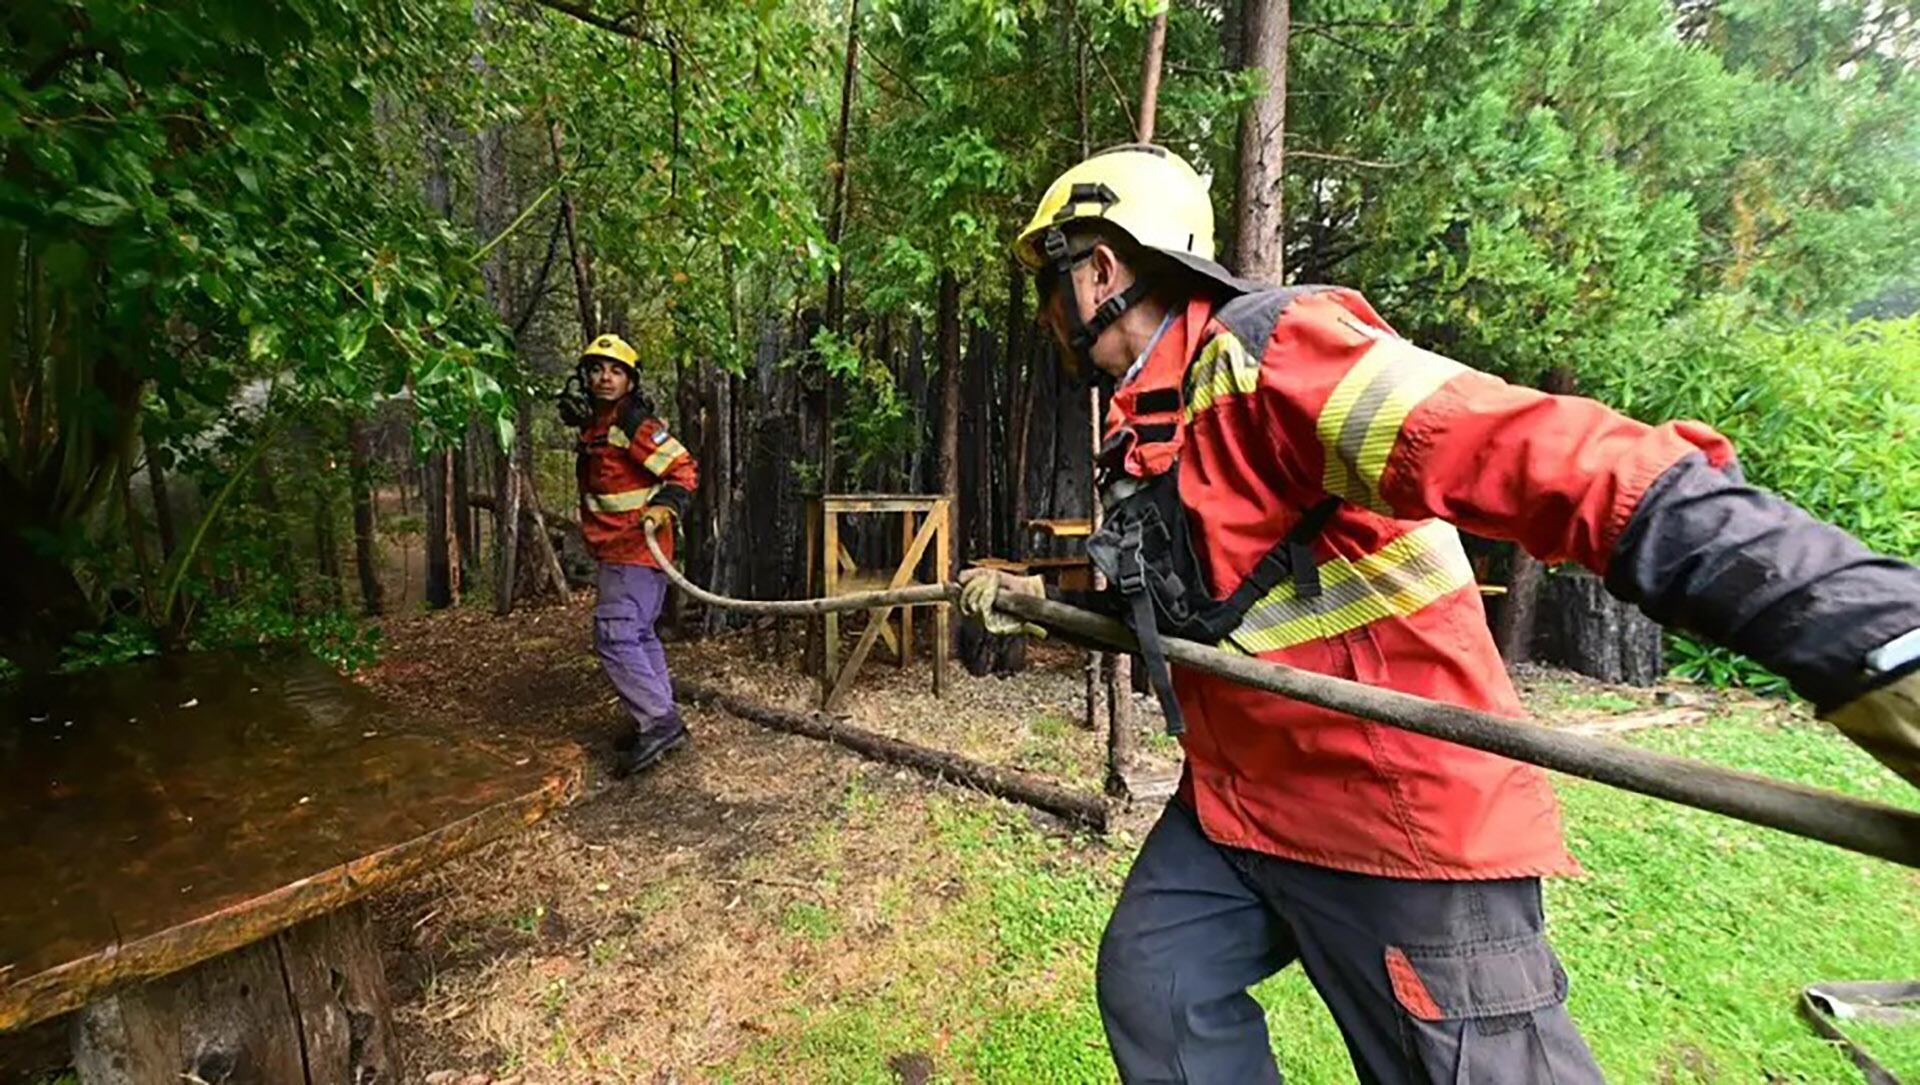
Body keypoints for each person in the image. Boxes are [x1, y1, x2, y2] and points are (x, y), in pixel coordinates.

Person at [958, 143, 1920, 1083]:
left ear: (1101, 269)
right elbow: (1202, 602)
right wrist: (1047, 603)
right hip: (1242, 804)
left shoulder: (1274, 355)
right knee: (1158, 982)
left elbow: (1531, 450)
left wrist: (1857, 627)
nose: (1045, 313)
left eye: (1050, 281)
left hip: (1401, 816)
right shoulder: (1149, 420)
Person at [571, 333, 699, 778]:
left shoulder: (634, 424)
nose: (605, 378)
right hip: (616, 550)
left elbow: (683, 469)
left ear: (630, 380)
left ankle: (659, 722)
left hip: (635, 550)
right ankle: (658, 715)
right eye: (597, 369)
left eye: (616, 371)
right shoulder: (597, 427)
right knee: (640, 634)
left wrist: (666, 507)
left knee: (616, 635)